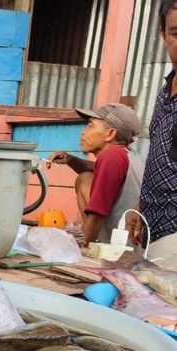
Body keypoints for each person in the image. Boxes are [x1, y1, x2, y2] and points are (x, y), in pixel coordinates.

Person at [46, 103, 143, 245]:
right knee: (86, 177)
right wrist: (71, 160)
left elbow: (97, 214)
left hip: (118, 249)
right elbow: (96, 169)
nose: (83, 132)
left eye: (90, 126)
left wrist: (76, 249)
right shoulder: (128, 156)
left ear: (110, 133)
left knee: (84, 178)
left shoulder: (111, 157)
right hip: (131, 244)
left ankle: (93, 242)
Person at [127, 0, 177, 266]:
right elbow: (159, 156)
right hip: (153, 233)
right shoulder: (165, 93)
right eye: (176, 33)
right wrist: (140, 205)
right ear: (163, 35)